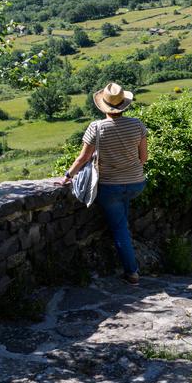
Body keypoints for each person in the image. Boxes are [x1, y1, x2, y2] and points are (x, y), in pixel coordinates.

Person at [61, 82, 148, 284]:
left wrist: (68, 176)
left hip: (110, 187)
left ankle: (132, 272)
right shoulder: (137, 124)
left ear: (103, 105)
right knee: (123, 224)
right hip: (136, 183)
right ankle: (131, 261)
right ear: (124, 104)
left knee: (119, 229)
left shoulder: (97, 127)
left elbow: (82, 159)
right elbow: (143, 158)